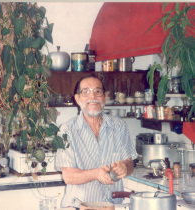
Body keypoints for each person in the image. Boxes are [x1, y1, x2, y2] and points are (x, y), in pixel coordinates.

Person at [56, 75, 138, 208]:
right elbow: (68, 176)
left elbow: (129, 164)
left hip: (111, 206)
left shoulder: (119, 126)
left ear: (105, 97)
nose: (92, 97)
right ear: (77, 99)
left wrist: (125, 168)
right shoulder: (67, 130)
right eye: (86, 92)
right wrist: (96, 174)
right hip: (79, 207)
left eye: (97, 92)